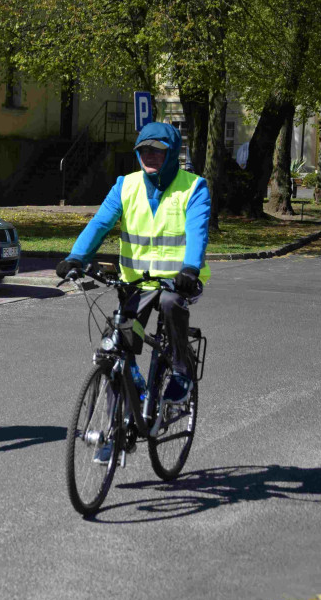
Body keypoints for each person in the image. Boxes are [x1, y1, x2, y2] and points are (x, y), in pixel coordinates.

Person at [57, 121, 211, 407]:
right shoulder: (125, 185)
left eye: (158, 151)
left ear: (173, 152)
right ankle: (115, 431)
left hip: (178, 281)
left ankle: (180, 370)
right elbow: (100, 223)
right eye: (144, 151)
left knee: (170, 304)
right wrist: (76, 257)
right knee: (116, 343)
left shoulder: (193, 188)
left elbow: (197, 231)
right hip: (135, 282)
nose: (150, 156)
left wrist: (190, 268)